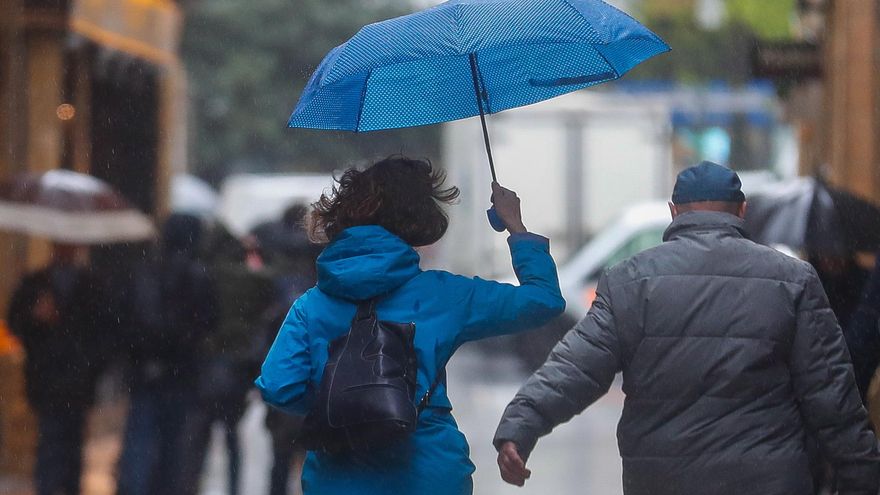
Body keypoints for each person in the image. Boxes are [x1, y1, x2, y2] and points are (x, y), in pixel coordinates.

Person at [494, 161, 880, 495]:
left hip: (663, 480)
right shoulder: (793, 280)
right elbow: (831, 394)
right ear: (742, 211)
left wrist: (520, 427)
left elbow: (576, 368)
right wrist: (861, 477)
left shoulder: (630, 281)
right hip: (766, 481)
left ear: (674, 211)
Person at [255, 156, 565, 495]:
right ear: (417, 218)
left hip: (337, 477)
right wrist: (515, 225)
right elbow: (543, 301)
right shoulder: (444, 295)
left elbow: (278, 386)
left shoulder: (311, 305)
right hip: (428, 475)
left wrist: (344, 405)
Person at [115, 214, 218, 495]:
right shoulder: (199, 276)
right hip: (180, 375)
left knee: (140, 446)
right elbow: (207, 323)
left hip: (146, 372)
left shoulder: (142, 272)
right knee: (173, 451)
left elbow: (124, 323)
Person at [177, 228, 276, 495]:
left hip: (209, 363)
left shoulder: (209, 274)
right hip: (237, 364)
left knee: (199, 435)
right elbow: (273, 278)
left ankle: (190, 486)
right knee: (231, 435)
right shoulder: (253, 279)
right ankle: (233, 488)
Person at [8, 243, 112, 495]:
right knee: (52, 444)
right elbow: (17, 322)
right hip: (48, 378)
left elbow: (104, 334)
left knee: (70, 447)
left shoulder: (91, 287)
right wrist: (36, 317)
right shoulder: (37, 283)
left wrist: (90, 365)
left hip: (77, 381)